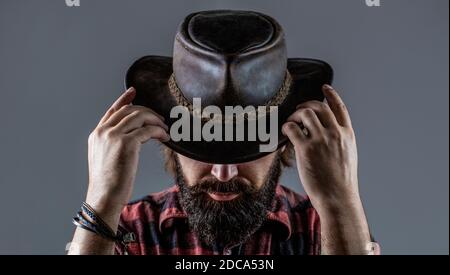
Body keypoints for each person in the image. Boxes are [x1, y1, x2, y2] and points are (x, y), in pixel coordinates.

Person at [68, 10, 379, 255]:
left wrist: (340, 201)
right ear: (171, 138)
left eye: (247, 148)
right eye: (204, 146)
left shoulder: (324, 228)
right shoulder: (125, 230)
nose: (224, 173)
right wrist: (102, 200)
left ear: (285, 140)